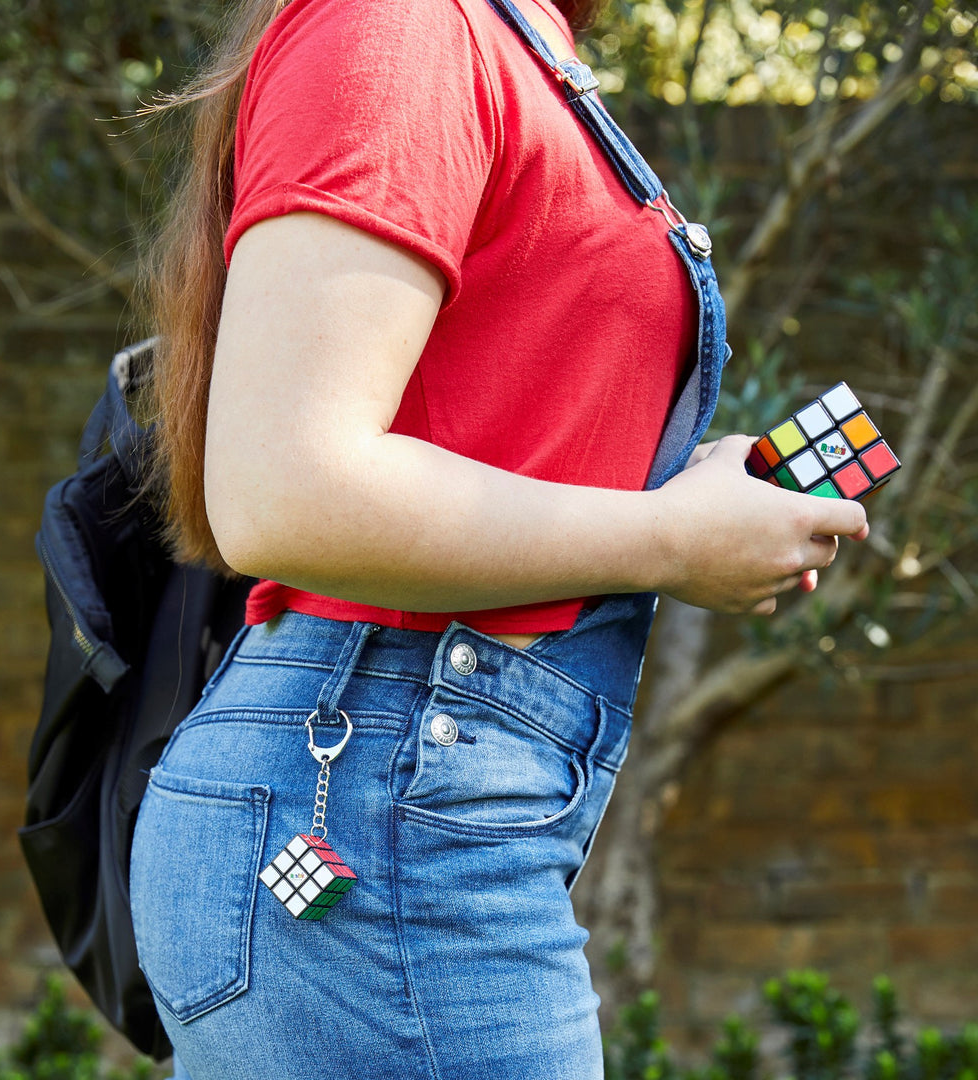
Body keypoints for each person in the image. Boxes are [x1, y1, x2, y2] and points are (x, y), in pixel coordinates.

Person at [128, 0, 869, 1074]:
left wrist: (692, 496)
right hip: (372, 800)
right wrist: (664, 540)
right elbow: (281, 489)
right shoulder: (404, 26)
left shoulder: (513, 38)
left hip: (413, 789)